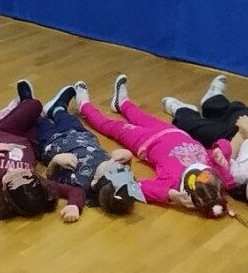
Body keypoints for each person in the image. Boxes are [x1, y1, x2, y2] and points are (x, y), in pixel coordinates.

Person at [77, 75, 232, 218]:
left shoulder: (173, 182)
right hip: (172, 130)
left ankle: (84, 106)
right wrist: (220, 149)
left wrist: (170, 195)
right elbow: (225, 148)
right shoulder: (217, 171)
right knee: (139, 114)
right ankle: (122, 103)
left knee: (111, 126)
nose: (205, 176)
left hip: (145, 141)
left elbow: (138, 187)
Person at [161, 74, 248, 211]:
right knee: (236, 109)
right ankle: (212, 100)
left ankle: (184, 111)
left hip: (234, 138)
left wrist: (242, 133)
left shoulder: (240, 176)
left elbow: (229, 154)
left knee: (194, 127)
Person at [0, 80, 79, 220]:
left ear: (4, 191)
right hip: (32, 143)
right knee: (53, 128)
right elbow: (74, 190)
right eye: (25, 174)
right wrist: (74, 205)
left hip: (7, 131)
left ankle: (24, 102)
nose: (14, 170)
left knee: (34, 105)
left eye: (11, 177)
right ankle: (56, 108)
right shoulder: (36, 184)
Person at [35, 84, 141, 220]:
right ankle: (56, 109)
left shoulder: (82, 184)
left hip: (52, 143)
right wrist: (127, 157)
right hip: (80, 134)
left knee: (41, 124)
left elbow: (51, 179)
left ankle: (36, 112)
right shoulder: (111, 171)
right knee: (68, 119)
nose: (117, 164)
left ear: (95, 182)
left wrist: (55, 161)